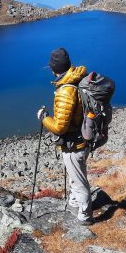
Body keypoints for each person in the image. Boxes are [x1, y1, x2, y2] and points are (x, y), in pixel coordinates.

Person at [37, 47, 95, 225]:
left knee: (79, 181)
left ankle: (85, 215)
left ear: (54, 69)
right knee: (75, 175)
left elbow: (60, 127)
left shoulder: (65, 91)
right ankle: (75, 203)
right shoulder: (76, 79)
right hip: (82, 139)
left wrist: (44, 118)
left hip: (73, 144)